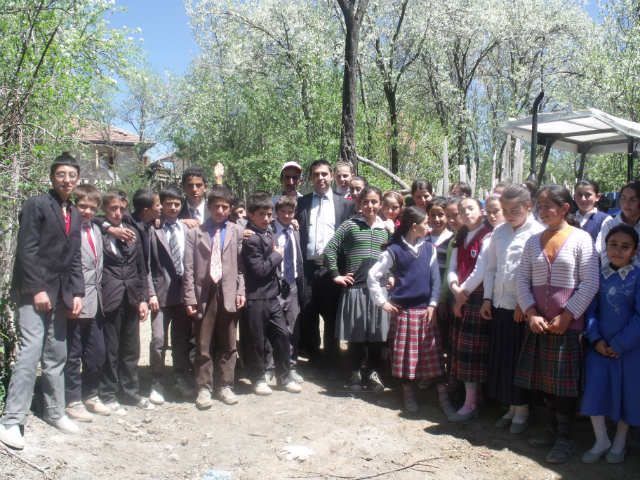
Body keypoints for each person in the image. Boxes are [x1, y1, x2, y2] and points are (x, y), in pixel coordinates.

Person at [0, 154, 84, 449]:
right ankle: (11, 420)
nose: (66, 180)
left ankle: (55, 411)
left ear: (77, 179)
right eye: (61, 174)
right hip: (34, 293)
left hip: (61, 294)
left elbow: (75, 257)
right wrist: (36, 289)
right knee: (30, 353)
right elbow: (27, 250)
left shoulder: (73, 212)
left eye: (71, 175)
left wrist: (77, 293)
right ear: (52, 177)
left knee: (56, 354)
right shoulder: (37, 205)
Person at [515, 184, 599, 464]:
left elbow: (590, 283)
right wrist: (530, 312)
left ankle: (565, 439)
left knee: (563, 389)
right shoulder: (532, 242)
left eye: (549, 205)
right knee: (544, 384)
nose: (543, 210)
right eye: (540, 205)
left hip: (567, 328)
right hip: (539, 326)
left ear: (565, 208)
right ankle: (551, 431)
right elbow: (521, 282)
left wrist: (568, 316)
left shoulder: (581, 239)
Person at [469, 185, 545, 434]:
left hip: (523, 309)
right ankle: (512, 407)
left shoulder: (538, 233)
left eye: (515, 210)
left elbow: (538, 275)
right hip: (500, 305)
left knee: (518, 361)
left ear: (528, 207)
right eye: (505, 210)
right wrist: (487, 300)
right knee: (502, 358)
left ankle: (522, 410)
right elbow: (492, 269)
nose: (509, 215)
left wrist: (527, 304)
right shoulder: (498, 233)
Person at [368, 207, 453, 415]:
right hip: (403, 313)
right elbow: (373, 275)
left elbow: (436, 280)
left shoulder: (429, 248)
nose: (429, 226)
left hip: (425, 312)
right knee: (406, 359)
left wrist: (433, 304)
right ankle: (408, 394)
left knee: (433, 358)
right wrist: (382, 302)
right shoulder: (394, 250)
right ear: (414, 226)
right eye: (426, 223)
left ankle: (444, 399)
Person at [581, 224, 640, 465]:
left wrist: (621, 344)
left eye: (625, 247)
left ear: (635, 252)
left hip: (629, 350)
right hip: (599, 347)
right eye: (613, 245)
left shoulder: (638, 276)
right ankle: (601, 439)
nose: (617, 250)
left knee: (627, 394)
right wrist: (594, 338)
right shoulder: (598, 274)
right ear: (605, 246)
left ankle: (619, 442)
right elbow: (590, 310)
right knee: (595, 391)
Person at [183, 186, 245, 409]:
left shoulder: (236, 231)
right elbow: (188, 268)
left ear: (230, 209)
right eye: (216, 206)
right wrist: (190, 297)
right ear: (208, 207)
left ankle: (225, 385)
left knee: (229, 341)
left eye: (224, 207)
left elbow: (241, 267)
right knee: (203, 342)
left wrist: (240, 291)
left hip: (228, 291)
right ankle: (203, 387)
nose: (220, 210)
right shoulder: (194, 233)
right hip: (204, 293)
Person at [324, 186, 390, 393]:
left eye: (374, 202)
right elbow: (329, 249)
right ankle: (354, 373)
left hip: (379, 291)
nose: (370, 206)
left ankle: (372, 373)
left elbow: (394, 257)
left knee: (377, 336)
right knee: (356, 336)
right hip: (356, 290)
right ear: (359, 204)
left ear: (380, 204)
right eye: (366, 202)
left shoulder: (386, 229)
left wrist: (392, 276)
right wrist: (336, 274)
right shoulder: (349, 225)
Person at [295, 159, 355, 379]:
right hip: (308, 269)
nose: (320, 177)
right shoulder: (301, 204)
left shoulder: (345, 205)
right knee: (308, 314)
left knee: (331, 317)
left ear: (331, 176)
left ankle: (331, 360)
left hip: (334, 270)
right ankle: (314, 359)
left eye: (324, 174)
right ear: (310, 178)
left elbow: (351, 239)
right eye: (315, 174)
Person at [241, 192, 302, 395]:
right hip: (256, 297)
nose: (266, 218)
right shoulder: (250, 240)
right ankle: (258, 378)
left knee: (282, 335)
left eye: (268, 214)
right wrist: (277, 255)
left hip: (272, 296)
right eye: (261, 214)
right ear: (251, 216)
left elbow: (284, 225)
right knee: (257, 341)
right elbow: (259, 270)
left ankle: (284, 377)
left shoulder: (270, 233)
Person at [98, 190, 152, 415]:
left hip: (130, 297)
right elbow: (86, 214)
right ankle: (108, 394)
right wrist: (107, 227)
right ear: (104, 209)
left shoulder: (133, 231)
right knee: (110, 349)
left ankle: (130, 392)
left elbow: (141, 269)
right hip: (108, 298)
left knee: (131, 348)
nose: (118, 213)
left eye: (121, 208)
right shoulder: (97, 229)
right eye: (113, 208)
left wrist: (143, 299)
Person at [64, 184, 111, 423]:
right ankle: (72, 400)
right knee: (73, 354)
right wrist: (73, 295)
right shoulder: (68, 230)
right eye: (83, 206)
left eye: (92, 207)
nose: (88, 211)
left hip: (96, 302)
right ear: (73, 205)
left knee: (96, 353)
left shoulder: (96, 228)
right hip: (74, 301)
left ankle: (91, 395)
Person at [147, 185, 195, 405]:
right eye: (169, 204)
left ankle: (179, 377)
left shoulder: (187, 229)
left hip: (183, 293)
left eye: (177, 204)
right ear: (161, 206)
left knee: (180, 339)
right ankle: (156, 381)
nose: (173, 208)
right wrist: (150, 293)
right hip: (161, 293)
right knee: (158, 339)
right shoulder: (152, 229)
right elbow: (145, 265)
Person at [447, 197, 493, 422]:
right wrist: (454, 287)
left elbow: (481, 269)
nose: (465, 213)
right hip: (463, 297)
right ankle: (472, 398)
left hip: (476, 298)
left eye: (470, 208)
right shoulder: (461, 236)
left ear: (481, 211)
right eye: (461, 210)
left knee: (472, 354)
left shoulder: (488, 235)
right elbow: (453, 267)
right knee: (462, 351)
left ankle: (471, 403)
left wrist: (461, 296)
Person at [265, 195, 305, 384]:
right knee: (273, 328)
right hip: (276, 285)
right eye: (283, 212)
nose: (287, 215)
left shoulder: (295, 230)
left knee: (293, 327)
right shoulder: (269, 231)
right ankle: (270, 367)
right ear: (276, 212)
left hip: (293, 286)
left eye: (290, 212)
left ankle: (291, 365)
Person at [436, 196, 464, 385]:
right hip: (454, 296)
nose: (452, 219)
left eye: (456, 214)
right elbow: (448, 270)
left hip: (468, 296)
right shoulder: (453, 238)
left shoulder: (475, 235)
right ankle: (455, 382)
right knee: (455, 343)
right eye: (448, 216)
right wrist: (444, 299)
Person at [597, 182, 640, 264]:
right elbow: (605, 258)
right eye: (623, 198)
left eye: (633, 200)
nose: (626, 204)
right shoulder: (610, 225)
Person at [574, 179, 611, 247]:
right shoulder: (567, 218)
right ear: (574, 196)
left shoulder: (605, 220)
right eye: (579, 194)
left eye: (588, 195)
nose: (583, 199)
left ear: (597, 197)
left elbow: (600, 248)